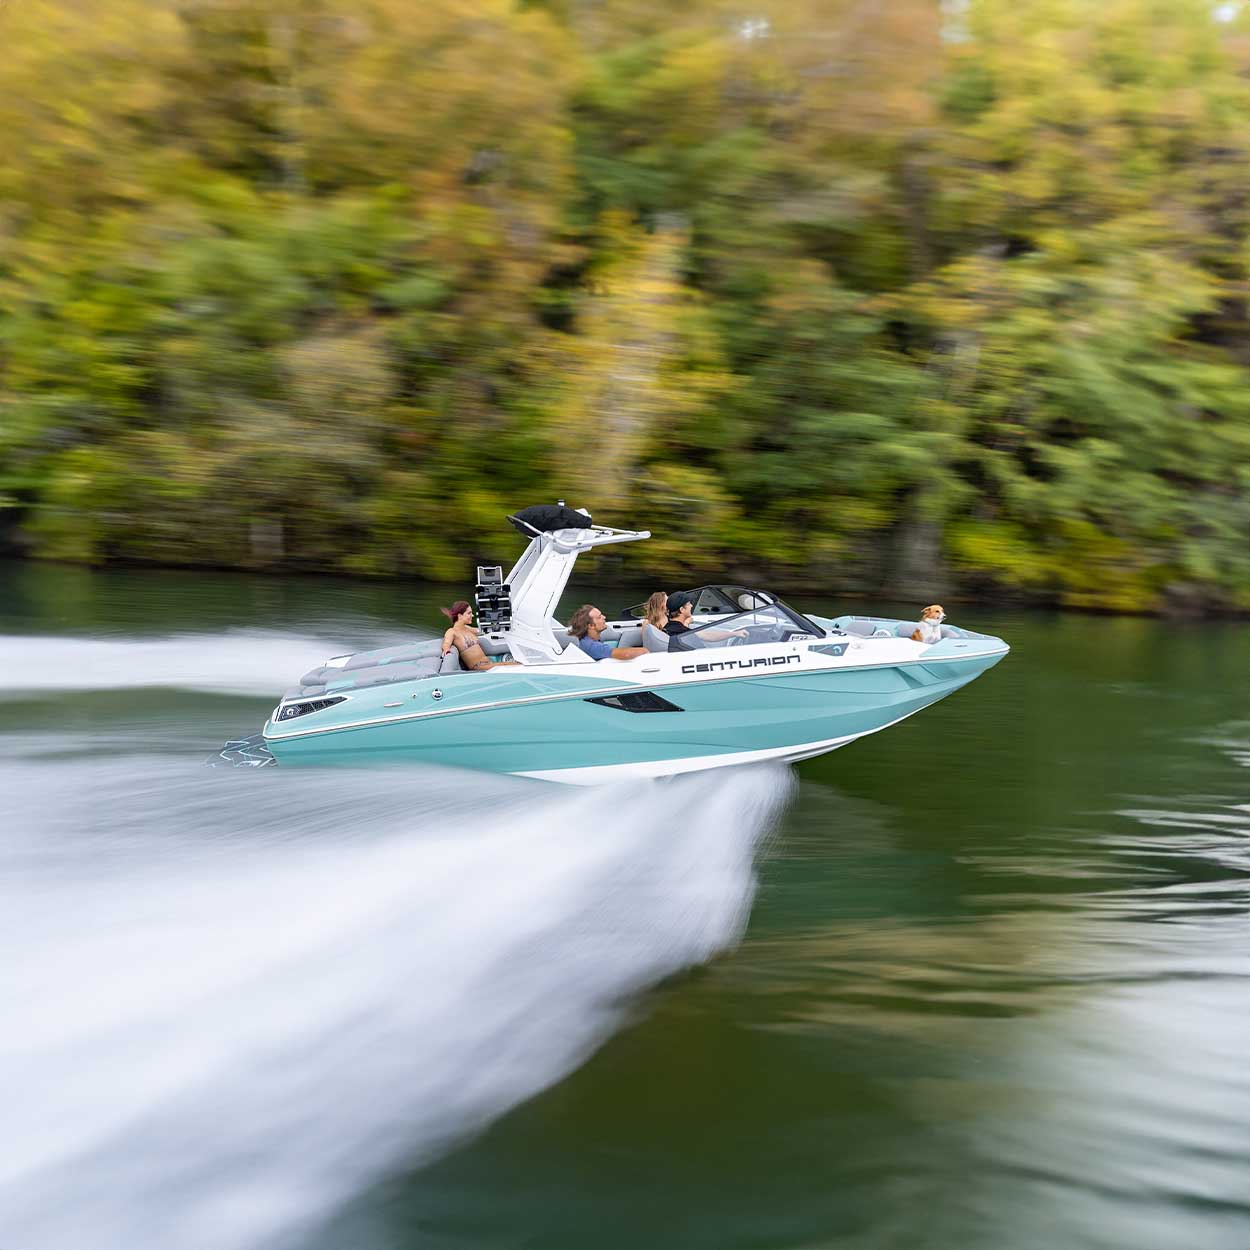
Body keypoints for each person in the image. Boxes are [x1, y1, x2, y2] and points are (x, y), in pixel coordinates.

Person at [440, 601, 515, 671]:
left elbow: (482, 630)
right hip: (479, 667)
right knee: (516, 666)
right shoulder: (452, 631)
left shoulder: (467, 628)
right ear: (460, 616)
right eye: (469, 613)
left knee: (517, 663)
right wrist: (446, 649)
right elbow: (446, 643)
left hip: (488, 662)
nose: (472, 615)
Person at [567, 604, 648, 661]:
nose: (604, 617)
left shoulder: (586, 641)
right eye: (599, 617)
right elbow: (626, 654)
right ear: (591, 626)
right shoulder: (592, 646)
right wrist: (647, 651)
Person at [663, 591, 749, 644]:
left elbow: (706, 635)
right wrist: (735, 634)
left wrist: (734, 634)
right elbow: (704, 637)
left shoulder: (670, 628)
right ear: (682, 609)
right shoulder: (682, 634)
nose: (691, 606)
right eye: (688, 604)